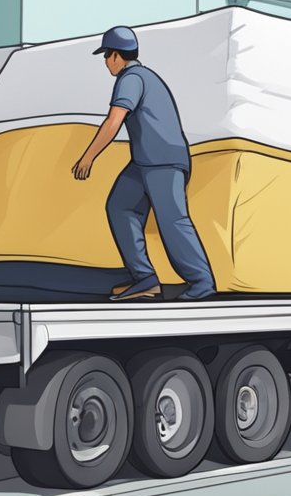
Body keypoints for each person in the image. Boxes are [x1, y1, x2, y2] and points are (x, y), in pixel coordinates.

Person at [73, 25, 216, 302]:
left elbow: (114, 120)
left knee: (173, 221)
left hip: (162, 162)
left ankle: (202, 282)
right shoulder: (143, 76)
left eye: (106, 56)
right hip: (144, 163)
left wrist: (88, 157)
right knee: (120, 206)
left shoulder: (132, 78)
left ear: (116, 55)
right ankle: (145, 279)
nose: (105, 63)